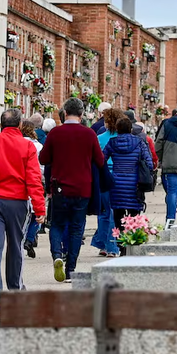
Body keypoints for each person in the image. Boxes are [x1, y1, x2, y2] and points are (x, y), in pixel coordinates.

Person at [0, 109, 46, 293]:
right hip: (18, 202)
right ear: (20, 124)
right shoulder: (27, 146)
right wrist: (39, 208)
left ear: (0, 124)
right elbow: (34, 180)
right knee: (15, 246)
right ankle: (15, 288)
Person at [40, 98, 106, 282]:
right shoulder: (89, 134)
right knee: (77, 229)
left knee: (57, 225)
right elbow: (100, 161)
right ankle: (70, 270)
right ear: (82, 114)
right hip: (82, 188)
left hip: (60, 187)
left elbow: (43, 158)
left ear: (64, 113)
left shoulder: (55, 133)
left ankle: (57, 255)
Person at [103, 117, 154, 233]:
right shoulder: (139, 142)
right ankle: (132, 240)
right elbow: (149, 164)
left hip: (117, 185)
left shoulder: (112, 142)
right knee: (134, 218)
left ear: (117, 129)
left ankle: (121, 241)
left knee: (118, 217)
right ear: (131, 129)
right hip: (135, 185)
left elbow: (101, 160)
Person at [90, 108, 125, 257]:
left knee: (103, 211)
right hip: (119, 175)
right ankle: (112, 246)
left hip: (103, 174)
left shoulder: (100, 138)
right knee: (113, 212)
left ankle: (103, 244)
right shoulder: (123, 138)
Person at [19, 121, 44, 257]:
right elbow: (42, 167)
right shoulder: (38, 146)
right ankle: (29, 238)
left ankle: (22, 239)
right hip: (35, 180)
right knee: (36, 215)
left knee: (22, 215)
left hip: (19, 182)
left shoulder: (17, 144)